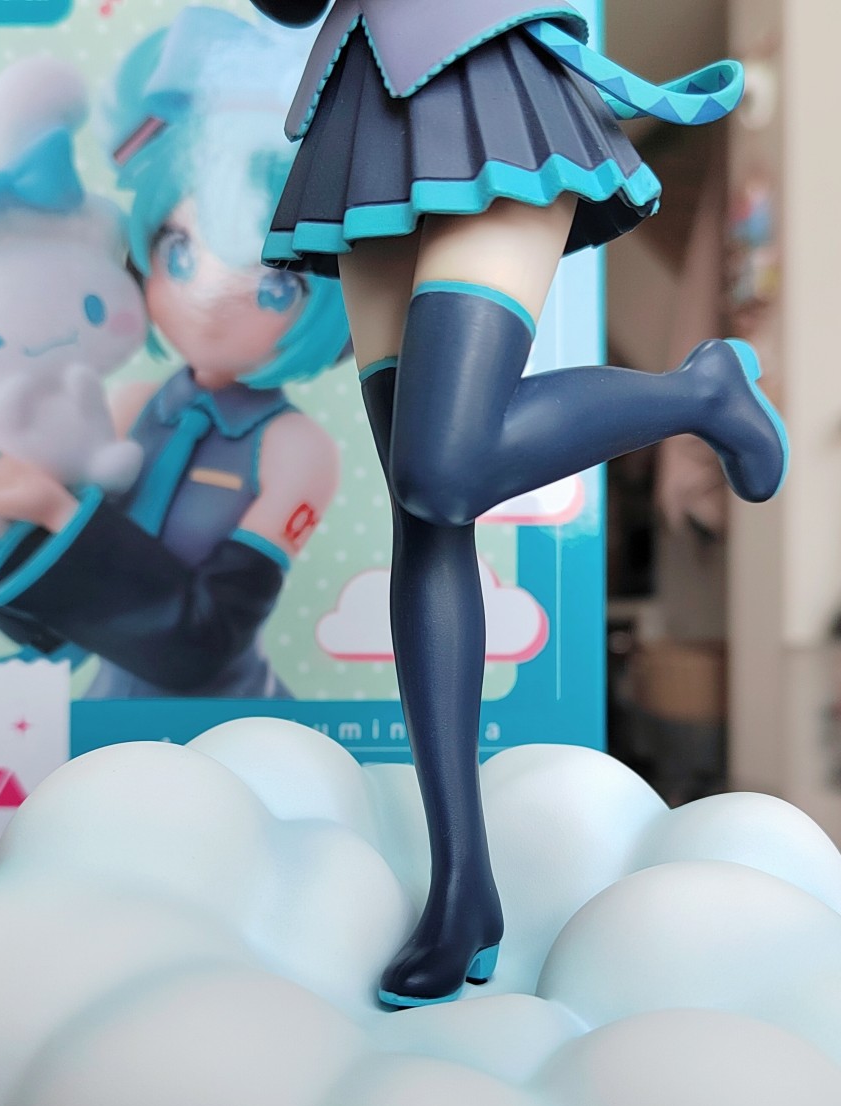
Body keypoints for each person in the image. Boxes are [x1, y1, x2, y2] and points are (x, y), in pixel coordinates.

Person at [250, 0, 791, 1006]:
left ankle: (699, 395)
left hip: (486, 79)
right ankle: (461, 891)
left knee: (441, 469)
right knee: (427, 520)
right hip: (361, 108)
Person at [0, 11, 350, 699]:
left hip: (234, 723)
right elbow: (50, 632)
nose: (211, 300)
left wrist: (58, 514)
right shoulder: (130, 406)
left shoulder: (294, 448)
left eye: (277, 283)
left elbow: (203, 644)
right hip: (104, 715)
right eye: (178, 251)